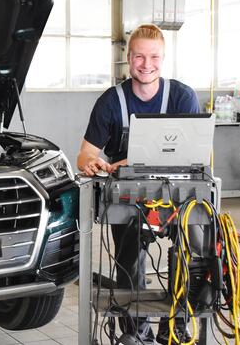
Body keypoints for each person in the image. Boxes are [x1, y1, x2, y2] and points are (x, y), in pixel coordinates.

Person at [76, 23, 200, 344]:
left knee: (187, 250)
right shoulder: (110, 102)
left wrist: (127, 163)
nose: (147, 64)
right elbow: (85, 155)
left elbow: (190, 156)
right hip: (127, 197)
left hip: (175, 194)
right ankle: (135, 333)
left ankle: (173, 325)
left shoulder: (183, 97)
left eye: (154, 57)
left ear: (164, 58)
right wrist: (94, 163)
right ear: (128, 58)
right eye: (139, 57)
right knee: (129, 261)